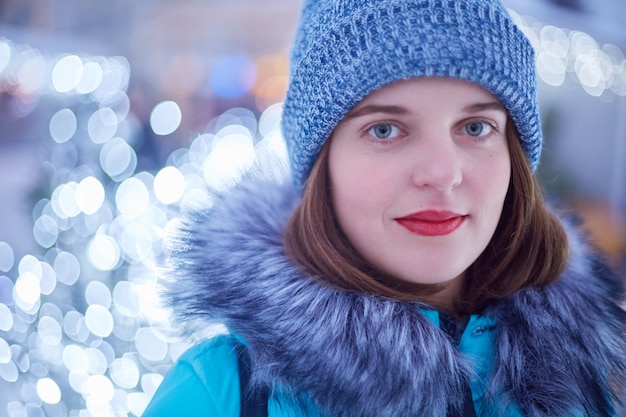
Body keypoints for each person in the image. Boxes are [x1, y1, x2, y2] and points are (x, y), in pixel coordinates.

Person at [142, 0, 626, 416]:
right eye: (385, 130)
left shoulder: (602, 371)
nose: (442, 172)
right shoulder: (222, 392)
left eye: (476, 127)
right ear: (322, 167)